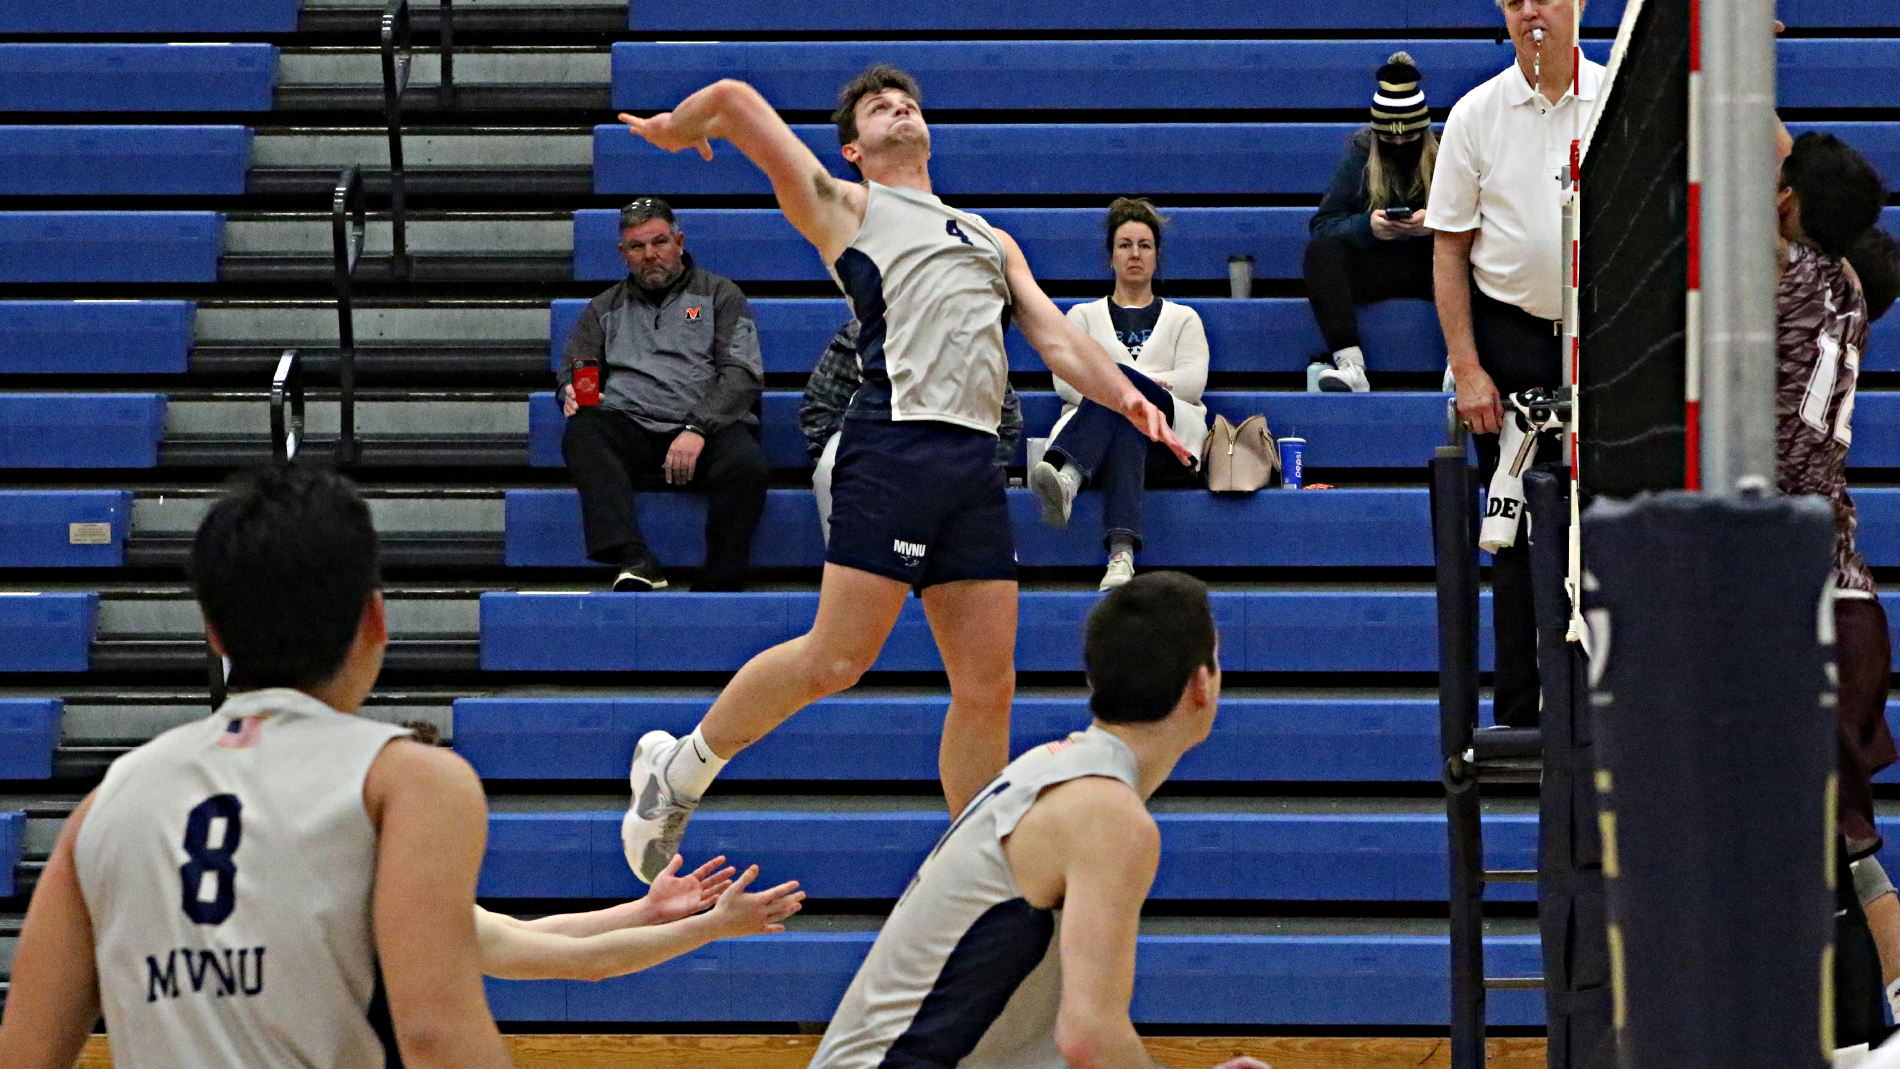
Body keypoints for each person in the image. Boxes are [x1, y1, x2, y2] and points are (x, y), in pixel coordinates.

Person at [613, 65, 1188, 883]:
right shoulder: (846, 209)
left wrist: (1126, 396)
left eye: (908, 102)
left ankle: (973, 870)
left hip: (974, 462)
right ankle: (681, 768)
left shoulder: (989, 237)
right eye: (880, 108)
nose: (900, 109)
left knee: (988, 683)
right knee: (837, 659)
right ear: (853, 149)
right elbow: (737, 102)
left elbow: (1059, 339)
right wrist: (679, 130)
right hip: (893, 446)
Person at [0, 463, 513, 1069]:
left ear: (214, 635)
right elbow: (434, 1032)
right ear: (375, 618)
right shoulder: (410, 780)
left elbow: (23, 1054)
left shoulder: (106, 800)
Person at [807, 573, 1267, 1069]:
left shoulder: (1050, 770)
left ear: (1094, 681)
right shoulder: (1107, 816)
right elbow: (1088, 1036)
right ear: (1201, 685)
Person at [1426, 0, 1603, 729]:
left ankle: (1602, 710)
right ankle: (1523, 712)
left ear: (1579, 5)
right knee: (1515, 524)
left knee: (1604, 521)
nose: (1531, 11)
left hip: (1603, 334)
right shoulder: (1475, 115)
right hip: (1511, 340)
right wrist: (1468, 368)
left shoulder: (1613, 100)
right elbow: (1448, 251)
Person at [1771, 130, 1900, 1022]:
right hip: (1841, 595)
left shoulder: (1784, 281)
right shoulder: (1850, 288)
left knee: (1845, 849)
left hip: (1811, 603)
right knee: (1825, 846)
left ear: (1788, 199)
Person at [558, 196, 769, 593]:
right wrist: (569, 391)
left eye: (659, 242)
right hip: (632, 426)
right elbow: (577, 366)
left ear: (679, 242)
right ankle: (633, 558)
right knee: (583, 430)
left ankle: (719, 582)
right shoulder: (603, 307)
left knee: (747, 464)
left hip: (705, 431)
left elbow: (742, 375)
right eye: (637, 247)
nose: (649, 255)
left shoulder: (721, 295)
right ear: (623, 253)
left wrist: (697, 428)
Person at [1029, 197, 1210, 590]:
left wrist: (1118, 382)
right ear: (1110, 256)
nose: (1135, 254)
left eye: (1145, 245)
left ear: (1157, 256)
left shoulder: (1184, 318)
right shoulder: (1081, 316)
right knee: (1128, 419)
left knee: (1120, 393)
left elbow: (1192, 383)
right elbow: (1065, 382)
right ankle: (1121, 556)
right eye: (1125, 245)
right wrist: (1138, 389)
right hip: (1106, 448)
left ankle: (1069, 477)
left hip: (1171, 447)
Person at [801, 318, 1023, 542]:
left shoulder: (969, 335)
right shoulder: (861, 330)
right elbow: (820, 408)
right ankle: (848, 556)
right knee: (831, 465)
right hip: (872, 450)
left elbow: (1005, 419)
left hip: (950, 451)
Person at [1304, 51, 1439, 392]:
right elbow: (1323, 225)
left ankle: (1460, 365)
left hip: (1433, 268)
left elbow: (1479, 219)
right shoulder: (1360, 155)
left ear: (1422, 133)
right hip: (1375, 265)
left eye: (1409, 138)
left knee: (1470, 251)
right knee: (1321, 254)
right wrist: (1368, 227)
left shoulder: (1445, 152)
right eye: (1390, 139)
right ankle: (1350, 366)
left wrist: (1437, 222)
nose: (1399, 144)